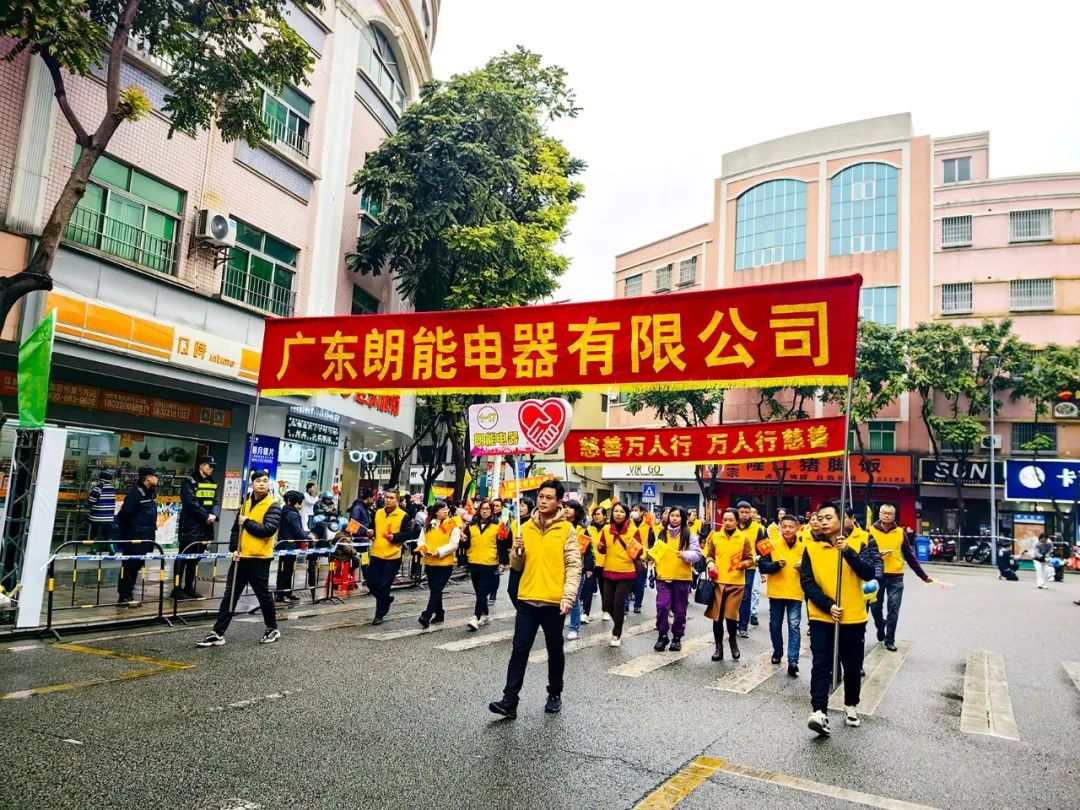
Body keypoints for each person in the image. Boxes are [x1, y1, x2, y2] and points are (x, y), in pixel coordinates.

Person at [489, 479, 581, 719]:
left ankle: (554, 693)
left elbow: (573, 566)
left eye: (549, 497)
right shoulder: (525, 527)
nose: (543, 501)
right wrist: (516, 550)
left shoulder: (567, 530)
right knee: (519, 650)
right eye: (541, 496)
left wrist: (568, 597)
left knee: (554, 650)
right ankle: (510, 700)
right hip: (527, 599)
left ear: (558, 502)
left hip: (553, 602)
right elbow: (517, 565)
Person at [801, 500, 878, 736]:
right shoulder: (811, 548)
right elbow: (807, 583)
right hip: (822, 615)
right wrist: (828, 605)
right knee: (821, 663)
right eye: (820, 518)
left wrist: (847, 551)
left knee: (852, 665)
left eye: (829, 518)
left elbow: (869, 571)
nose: (823, 522)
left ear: (842, 519)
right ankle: (819, 711)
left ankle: (851, 704)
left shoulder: (862, 541)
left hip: (853, 616)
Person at [197, 469, 281, 646]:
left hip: (259, 558)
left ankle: (272, 628)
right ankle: (218, 632)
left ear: (269, 484)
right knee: (230, 595)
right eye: (258, 480)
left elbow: (268, 529)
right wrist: (234, 549)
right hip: (240, 558)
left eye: (265, 481)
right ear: (252, 483)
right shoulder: (245, 504)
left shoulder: (273, 505)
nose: (262, 484)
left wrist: (247, 522)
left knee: (263, 595)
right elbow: (236, 530)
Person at [869, 504, 932, 651]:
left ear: (894, 516)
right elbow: (864, 553)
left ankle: (889, 639)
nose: (887, 515)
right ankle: (880, 625)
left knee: (894, 608)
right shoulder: (870, 531)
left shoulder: (899, 532)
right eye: (884, 513)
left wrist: (923, 576)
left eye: (890, 513)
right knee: (875, 607)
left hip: (896, 577)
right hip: (876, 576)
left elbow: (909, 555)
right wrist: (876, 556)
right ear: (879, 514)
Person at [758, 514, 805, 676]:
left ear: (798, 528)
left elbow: (813, 569)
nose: (787, 530)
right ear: (779, 527)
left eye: (791, 527)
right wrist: (776, 565)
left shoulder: (805, 547)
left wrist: (804, 566)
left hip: (795, 593)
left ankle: (793, 661)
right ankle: (777, 652)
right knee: (775, 625)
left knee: (794, 626)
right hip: (776, 593)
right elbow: (762, 566)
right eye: (784, 526)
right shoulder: (771, 544)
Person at [704, 508, 752, 661]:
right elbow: (709, 555)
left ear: (737, 521)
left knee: (731, 616)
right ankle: (718, 648)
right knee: (717, 617)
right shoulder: (715, 536)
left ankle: (733, 641)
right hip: (718, 582)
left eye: (731, 520)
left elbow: (750, 558)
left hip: (736, 583)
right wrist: (710, 563)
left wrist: (743, 564)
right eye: (725, 520)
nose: (727, 523)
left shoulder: (743, 538)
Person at [652, 506, 701, 653]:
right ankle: (662, 635)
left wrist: (686, 555)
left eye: (678, 516)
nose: (674, 518)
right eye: (672, 515)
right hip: (663, 577)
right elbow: (656, 552)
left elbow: (697, 554)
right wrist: (648, 556)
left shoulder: (690, 535)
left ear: (683, 518)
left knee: (680, 610)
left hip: (681, 579)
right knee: (662, 607)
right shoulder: (661, 534)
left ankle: (677, 637)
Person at [174, 455, 219, 600]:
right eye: (209, 466)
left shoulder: (212, 482)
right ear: (201, 466)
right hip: (190, 526)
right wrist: (206, 516)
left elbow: (216, 501)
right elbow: (190, 503)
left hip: (205, 527)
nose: (212, 469)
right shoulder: (189, 482)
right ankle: (176, 588)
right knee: (183, 557)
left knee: (195, 559)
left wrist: (214, 515)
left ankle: (189, 587)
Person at [366, 490, 415, 625]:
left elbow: (408, 534)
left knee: (384, 585)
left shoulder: (403, 515)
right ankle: (386, 600)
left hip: (392, 556)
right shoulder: (378, 512)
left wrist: (394, 537)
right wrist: (371, 532)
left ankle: (379, 614)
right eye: (386, 497)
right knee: (370, 582)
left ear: (397, 500)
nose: (387, 500)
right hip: (376, 553)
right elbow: (373, 528)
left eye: (391, 498)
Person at [598, 502, 642, 647]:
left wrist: (634, 549)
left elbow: (639, 551)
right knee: (607, 603)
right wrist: (600, 547)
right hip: (609, 570)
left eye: (622, 511)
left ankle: (616, 633)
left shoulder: (633, 530)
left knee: (618, 602)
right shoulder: (606, 529)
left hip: (627, 572)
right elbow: (603, 549)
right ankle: (619, 618)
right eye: (616, 511)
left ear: (626, 514)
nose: (618, 514)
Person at [114, 467, 159, 606]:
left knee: (135, 566)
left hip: (144, 537)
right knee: (129, 567)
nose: (157, 479)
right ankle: (124, 596)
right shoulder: (136, 494)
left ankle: (128, 594)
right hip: (134, 538)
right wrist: (130, 531)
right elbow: (123, 515)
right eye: (155, 476)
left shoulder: (148, 494)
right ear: (148, 478)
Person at [417, 500, 461, 627]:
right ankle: (440, 613)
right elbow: (421, 541)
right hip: (430, 562)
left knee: (436, 588)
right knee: (435, 590)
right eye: (443, 509)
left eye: (446, 509)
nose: (446, 511)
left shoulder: (452, 525)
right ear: (436, 512)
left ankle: (426, 615)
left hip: (445, 563)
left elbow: (454, 544)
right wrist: (425, 550)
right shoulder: (427, 525)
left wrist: (439, 552)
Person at [464, 499, 500, 631]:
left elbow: (501, 545)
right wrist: (463, 539)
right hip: (474, 561)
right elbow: (466, 542)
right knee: (479, 592)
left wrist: (502, 562)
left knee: (482, 591)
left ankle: (475, 617)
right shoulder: (471, 525)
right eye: (483, 508)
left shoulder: (497, 525)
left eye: (488, 509)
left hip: (489, 563)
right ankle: (485, 615)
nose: (485, 511)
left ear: (492, 511)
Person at [565, 500, 595, 641]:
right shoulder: (559, 526)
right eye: (565, 507)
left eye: (570, 508)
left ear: (576, 511)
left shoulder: (582, 529)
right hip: (559, 568)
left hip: (577, 569)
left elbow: (589, 551)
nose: (566, 509)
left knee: (574, 599)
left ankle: (573, 628)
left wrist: (589, 568)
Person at [276, 490, 313, 603]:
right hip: (289, 546)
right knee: (286, 571)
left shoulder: (285, 511)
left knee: (285, 570)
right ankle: (283, 594)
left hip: (286, 545)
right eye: (300, 503)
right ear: (295, 503)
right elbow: (297, 530)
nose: (302, 505)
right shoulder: (292, 514)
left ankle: (285, 593)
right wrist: (308, 537)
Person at [735, 501, 765, 638]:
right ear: (737, 512)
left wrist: (757, 560)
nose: (745, 515)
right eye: (742, 512)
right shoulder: (731, 525)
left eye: (747, 512)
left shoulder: (758, 528)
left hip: (749, 567)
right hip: (732, 567)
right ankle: (733, 622)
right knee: (733, 596)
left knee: (745, 596)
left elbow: (764, 549)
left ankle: (743, 626)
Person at [507, 497, 534, 607]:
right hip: (516, 560)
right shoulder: (514, 523)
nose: (520, 508)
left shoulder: (533, 522)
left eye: (523, 505)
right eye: (519, 505)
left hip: (529, 561)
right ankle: (521, 611)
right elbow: (509, 540)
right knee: (512, 590)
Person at [627, 503, 653, 614]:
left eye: (636, 510)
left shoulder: (648, 526)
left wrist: (649, 557)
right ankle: (625, 605)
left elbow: (651, 543)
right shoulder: (627, 524)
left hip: (642, 559)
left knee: (639, 584)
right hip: (629, 557)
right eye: (633, 510)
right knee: (627, 583)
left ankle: (637, 605)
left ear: (642, 513)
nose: (634, 512)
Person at [583, 505, 607, 623]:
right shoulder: (588, 529)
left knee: (604, 589)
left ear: (605, 516)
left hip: (605, 564)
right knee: (588, 589)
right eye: (594, 514)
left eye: (598, 514)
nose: (596, 517)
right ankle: (585, 613)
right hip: (591, 564)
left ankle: (605, 611)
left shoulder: (609, 529)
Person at [86, 469, 117, 547]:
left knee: (95, 532)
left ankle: (94, 548)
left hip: (97, 516)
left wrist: (88, 499)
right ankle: (111, 547)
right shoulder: (112, 489)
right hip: (108, 517)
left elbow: (92, 501)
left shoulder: (98, 487)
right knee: (107, 534)